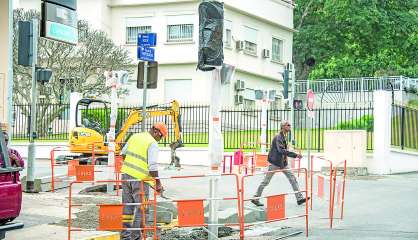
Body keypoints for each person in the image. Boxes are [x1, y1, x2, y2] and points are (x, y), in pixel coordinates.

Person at [120, 122, 168, 240]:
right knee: (142, 209)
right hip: (140, 181)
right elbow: (152, 167)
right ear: (156, 131)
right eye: (161, 136)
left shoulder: (136, 136)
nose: (160, 139)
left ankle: (125, 237)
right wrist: (158, 183)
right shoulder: (152, 143)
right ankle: (136, 237)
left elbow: (123, 154)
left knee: (128, 208)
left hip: (126, 176)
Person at [251, 121, 308, 207]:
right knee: (265, 181)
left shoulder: (283, 136)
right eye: (288, 125)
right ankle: (255, 198)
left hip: (283, 163)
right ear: (282, 127)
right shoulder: (278, 137)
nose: (289, 126)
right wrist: (295, 155)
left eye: (290, 125)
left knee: (292, 178)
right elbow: (281, 150)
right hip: (275, 163)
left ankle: (299, 198)